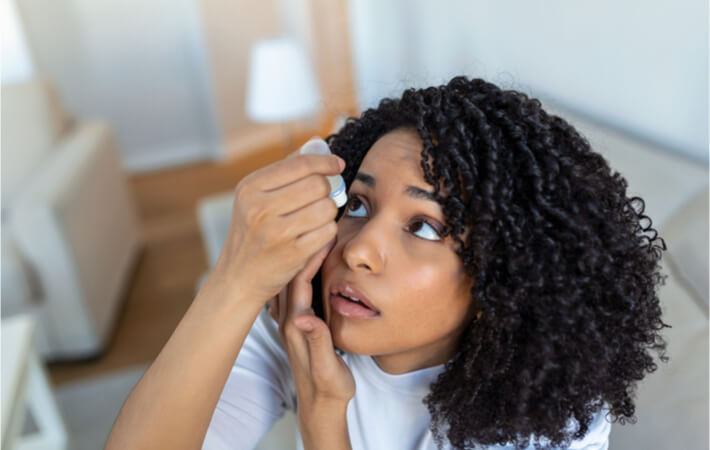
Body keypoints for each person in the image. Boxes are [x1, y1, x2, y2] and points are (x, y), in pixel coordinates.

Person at [106, 76, 669, 450]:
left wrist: (323, 418)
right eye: (358, 204)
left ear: (503, 276)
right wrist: (233, 281)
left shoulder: (543, 410)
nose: (357, 250)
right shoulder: (303, 314)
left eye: (423, 226)